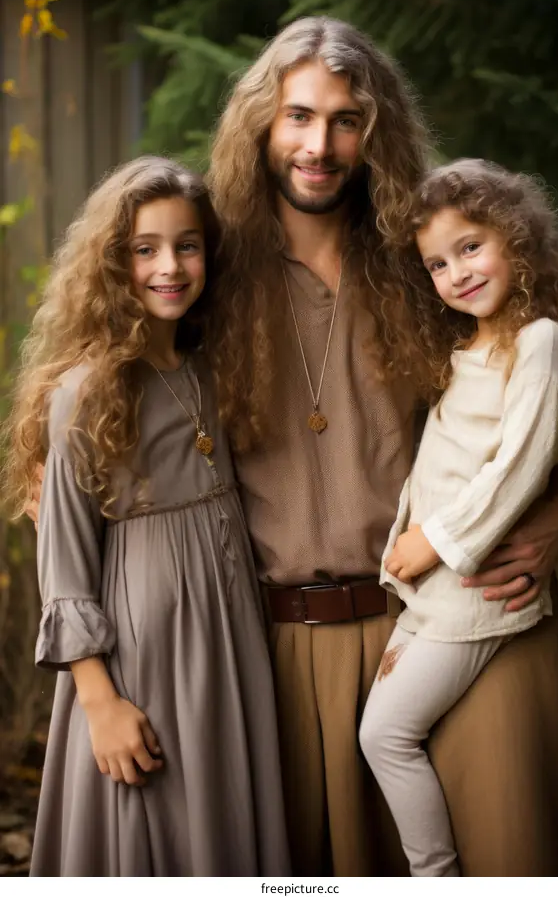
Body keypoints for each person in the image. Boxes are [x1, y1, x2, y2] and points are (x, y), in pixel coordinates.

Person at [204, 18, 558, 876]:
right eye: (298, 116)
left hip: (449, 613)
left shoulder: (428, 258)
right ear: (262, 123)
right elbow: (107, 366)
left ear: (377, 132)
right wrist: (49, 459)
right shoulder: (209, 271)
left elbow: (541, 388)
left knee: (507, 867)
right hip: (276, 644)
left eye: (348, 119)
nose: (319, 145)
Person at [1, 156, 290, 876]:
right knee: (151, 835)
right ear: (112, 262)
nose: (169, 265)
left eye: (186, 245)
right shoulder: (87, 393)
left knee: (222, 828)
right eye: (145, 248)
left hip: (228, 642)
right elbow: (65, 568)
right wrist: (100, 703)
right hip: (140, 664)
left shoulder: (211, 368)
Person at [358, 158, 558, 876]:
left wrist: (434, 540)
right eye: (437, 263)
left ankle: (437, 876)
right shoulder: (469, 349)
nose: (457, 272)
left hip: (473, 589)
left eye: (471, 247)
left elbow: (518, 469)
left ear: (517, 240)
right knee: (387, 733)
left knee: (385, 736)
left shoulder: (540, 343)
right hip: (432, 591)